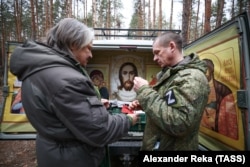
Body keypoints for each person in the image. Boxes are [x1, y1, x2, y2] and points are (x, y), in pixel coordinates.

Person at [10, 18, 138, 167]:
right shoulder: (67, 79)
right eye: (88, 48)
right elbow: (100, 130)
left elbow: (62, 112)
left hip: (54, 152)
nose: (91, 54)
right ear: (73, 44)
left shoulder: (38, 70)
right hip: (72, 158)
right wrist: (128, 119)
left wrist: (93, 104)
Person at [129, 32, 210, 150]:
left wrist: (144, 92)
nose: (154, 58)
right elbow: (167, 107)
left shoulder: (192, 78)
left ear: (172, 47)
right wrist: (145, 104)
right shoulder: (169, 75)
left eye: (157, 52)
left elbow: (179, 123)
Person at [201, 59, 238, 139]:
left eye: (205, 70)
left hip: (219, 133)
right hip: (203, 132)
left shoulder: (224, 91)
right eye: (201, 71)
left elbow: (230, 120)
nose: (203, 73)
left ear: (211, 70)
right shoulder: (198, 88)